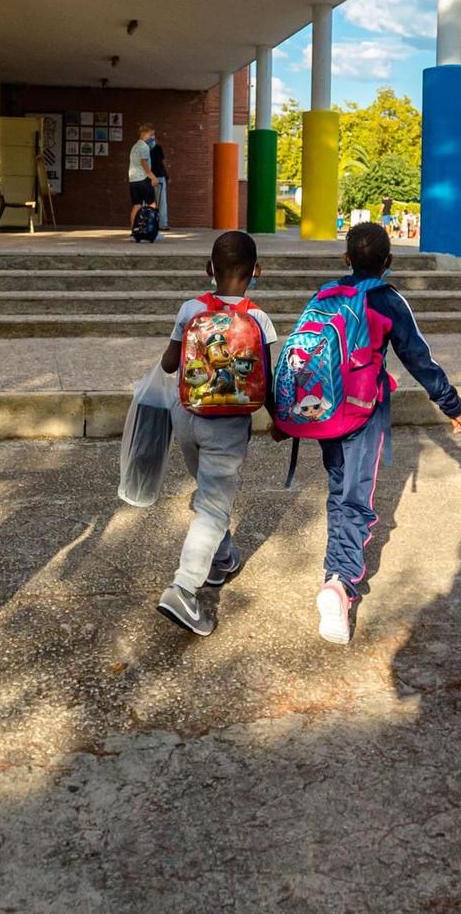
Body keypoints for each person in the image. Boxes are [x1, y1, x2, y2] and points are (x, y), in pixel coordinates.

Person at [289, 222, 461, 645]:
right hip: (363, 412)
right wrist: (450, 403)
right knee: (357, 496)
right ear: (388, 263)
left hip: (323, 408)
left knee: (339, 488)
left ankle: (336, 567)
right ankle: (340, 584)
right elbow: (418, 358)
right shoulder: (388, 301)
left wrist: (286, 418)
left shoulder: (325, 295)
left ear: (346, 259)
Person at [155, 230, 277, 636]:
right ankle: (184, 588)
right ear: (257, 271)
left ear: (209, 268)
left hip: (187, 418)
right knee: (213, 506)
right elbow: (267, 380)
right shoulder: (258, 318)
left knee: (209, 495)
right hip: (228, 425)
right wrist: (280, 421)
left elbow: (171, 365)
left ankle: (222, 560)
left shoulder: (191, 308)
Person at [128, 122, 160, 238]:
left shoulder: (135, 146)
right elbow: (144, 163)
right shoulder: (144, 147)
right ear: (144, 133)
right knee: (152, 203)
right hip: (143, 179)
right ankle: (151, 228)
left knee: (136, 205)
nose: (152, 138)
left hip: (133, 180)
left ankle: (133, 229)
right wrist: (153, 177)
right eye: (151, 134)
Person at [148, 130, 171, 229]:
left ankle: (161, 223)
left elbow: (163, 162)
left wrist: (167, 175)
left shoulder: (156, 148)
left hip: (157, 176)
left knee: (159, 201)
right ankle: (157, 223)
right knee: (155, 201)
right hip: (151, 176)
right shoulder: (144, 148)